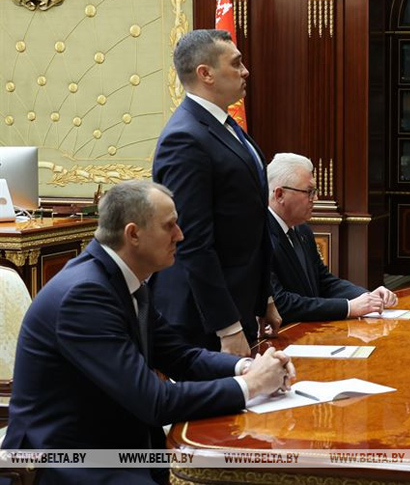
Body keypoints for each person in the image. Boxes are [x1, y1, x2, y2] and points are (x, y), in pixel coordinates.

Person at [2, 180, 296, 485]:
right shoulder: (85, 295)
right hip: (66, 462)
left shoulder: (125, 280)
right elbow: (154, 401)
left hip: (118, 445)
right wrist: (251, 385)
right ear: (133, 234)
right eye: (169, 226)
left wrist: (246, 367)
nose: (180, 235)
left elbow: (181, 357)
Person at [152, 29, 280, 356]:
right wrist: (227, 326)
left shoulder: (226, 125)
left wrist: (264, 298)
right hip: (204, 320)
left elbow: (250, 221)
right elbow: (192, 240)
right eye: (236, 63)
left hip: (238, 303)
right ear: (205, 73)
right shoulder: (184, 138)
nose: (245, 71)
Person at [266, 153, 398, 323]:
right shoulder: (260, 236)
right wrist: (348, 307)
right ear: (279, 195)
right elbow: (280, 303)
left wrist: (367, 297)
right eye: (309, 192)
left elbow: (324, 282)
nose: (316, 198)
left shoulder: (302, 230)